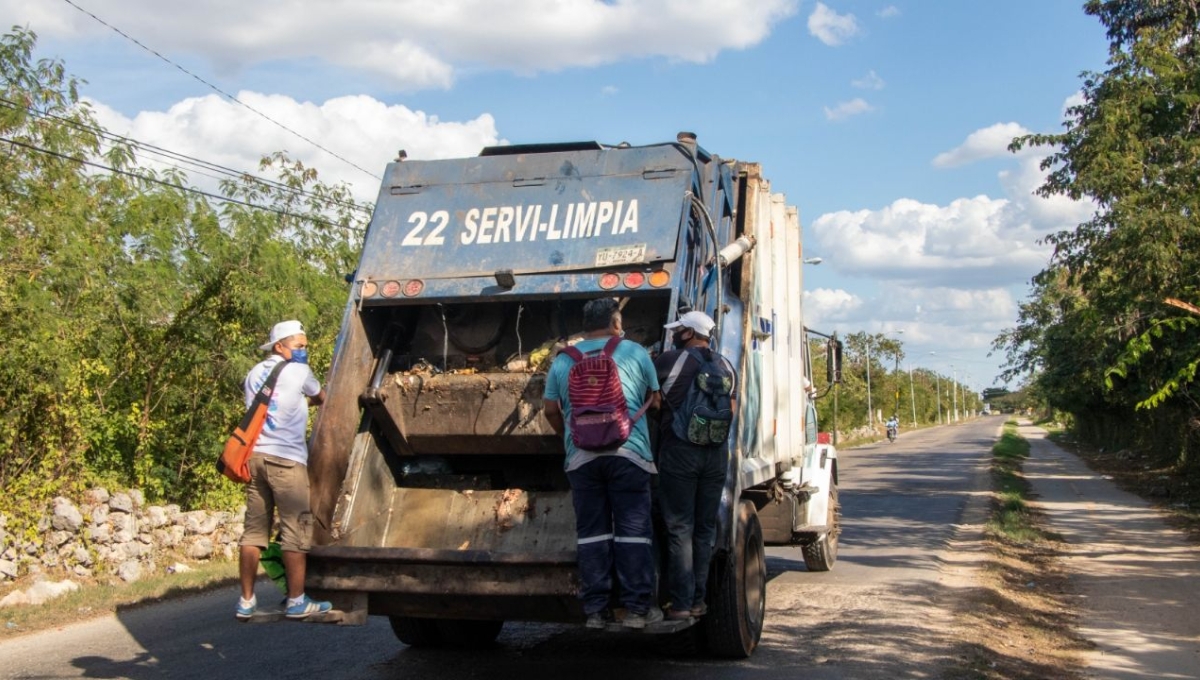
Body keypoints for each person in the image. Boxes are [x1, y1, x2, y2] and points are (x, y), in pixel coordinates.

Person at [543, 298, 663, 630]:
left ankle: (596, 611)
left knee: (592, 535)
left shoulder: (563, 361)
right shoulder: (636, 353)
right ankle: (638, 610)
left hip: (581, 458)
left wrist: (570, 435)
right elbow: (656, 399)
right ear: (615, 323)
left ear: (585, 326)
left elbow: (551, 410)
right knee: (633, 533)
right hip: (630, 454)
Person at [235, 320, 332, 620]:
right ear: (280, 346)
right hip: (287, 460)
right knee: (295, 530)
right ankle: (297, 601)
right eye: (299, 346)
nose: (303, 351)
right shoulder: (298, 371)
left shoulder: (254, 374)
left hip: (256, 458)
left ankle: (246, 601)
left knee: (254, 532)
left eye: (305, 346)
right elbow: (321, 396)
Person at [653, 310, 737, 621]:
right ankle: (699, 600)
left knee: (679, 528)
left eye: (679, 329)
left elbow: (652, 399)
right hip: (716, 454)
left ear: (688, 333)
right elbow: (731, 407)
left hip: (680, 452)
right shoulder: (726, 365)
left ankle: (681, 603)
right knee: (704, 529)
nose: (675, 333)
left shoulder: (668, 359)